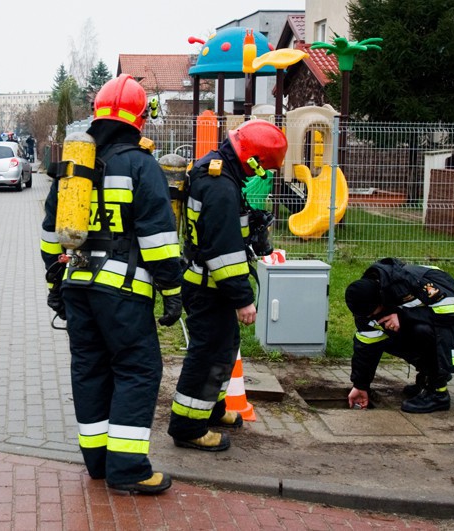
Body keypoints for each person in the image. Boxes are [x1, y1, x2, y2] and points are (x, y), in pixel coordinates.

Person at [40, 74, 181, 495]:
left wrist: (54, 281)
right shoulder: (141, 164)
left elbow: (52, 232)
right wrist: (172, 291)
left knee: (90, 370)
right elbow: (157, 238)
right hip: (123, 292)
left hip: (76, 287)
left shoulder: (74, 166)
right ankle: (129, 469)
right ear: (138, 119)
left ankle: (98, 463)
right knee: (137, 370)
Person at [167, 120, 288, 452]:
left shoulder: (218, 173)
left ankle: (212, 409)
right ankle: (188, 426)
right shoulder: (220, 186)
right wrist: (243, 299)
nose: (260, 174)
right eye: (262, 167)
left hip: (209, 283)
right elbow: (223, 251)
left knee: (223, 346)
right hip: (209, 287)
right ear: (251, 158)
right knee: (206, 353)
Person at [345, 258, 454, 413]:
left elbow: (453, 311)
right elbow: (366, 346)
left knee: (421, 330)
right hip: (436, 332)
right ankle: (426, 379)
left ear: (380, 300)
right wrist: (360, 385)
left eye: (372, 313)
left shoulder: (410, 280)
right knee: (386, 336)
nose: (370, 317)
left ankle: (438, 393)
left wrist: (403, 317)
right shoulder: (366, 303)